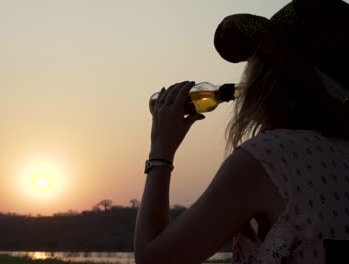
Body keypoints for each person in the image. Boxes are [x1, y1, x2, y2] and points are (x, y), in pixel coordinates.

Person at [134, 0, 349, 263]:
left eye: (254, 60)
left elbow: (153, 260)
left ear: (269, 76)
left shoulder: (267, 159)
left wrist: (161, 151)